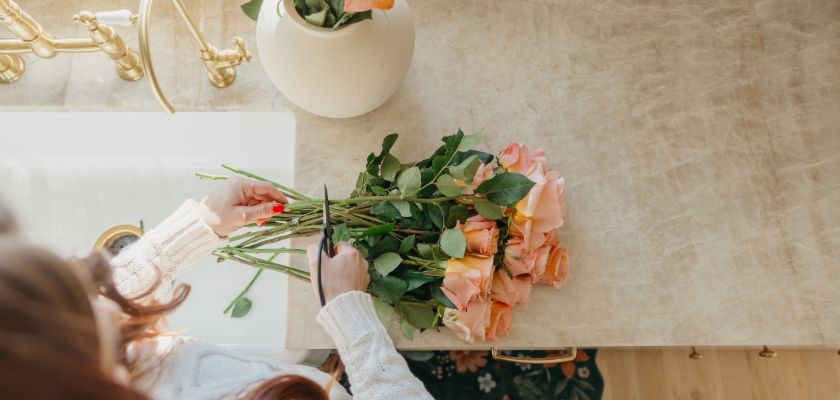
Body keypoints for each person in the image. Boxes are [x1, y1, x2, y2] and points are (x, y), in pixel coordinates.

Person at [0, 178, 433, 400]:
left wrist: (204, 222)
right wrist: (348, 313)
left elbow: (120, 293)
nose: (99, 280)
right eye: (80, 293)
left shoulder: (97, 360)